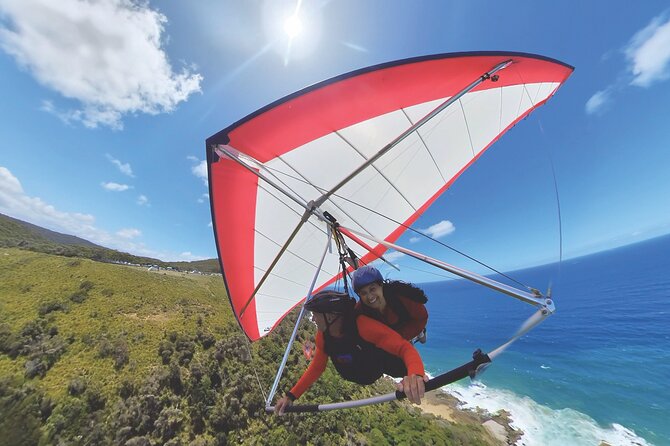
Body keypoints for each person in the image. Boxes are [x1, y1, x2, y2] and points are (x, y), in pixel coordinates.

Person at [274, 290, 428, 415]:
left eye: (316, 314)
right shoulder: (323, 336)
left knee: (405, 369)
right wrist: (291, 395)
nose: (313, 319)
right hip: (355, 370)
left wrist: (416, 374)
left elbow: (404, 348)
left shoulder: (362, 326)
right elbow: (317, 367)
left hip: (377, 366)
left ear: (330, 316)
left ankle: (417, 374)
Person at [352, 265, 428, 342]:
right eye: (364, 293)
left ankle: (421, 333)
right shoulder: (360, 311)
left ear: (381, 285)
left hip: (408, 324)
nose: (370, 297)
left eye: (372, 289)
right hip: (390, 333)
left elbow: (421, 317)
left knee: (422, 340)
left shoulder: (400, 297)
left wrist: (401, 337)